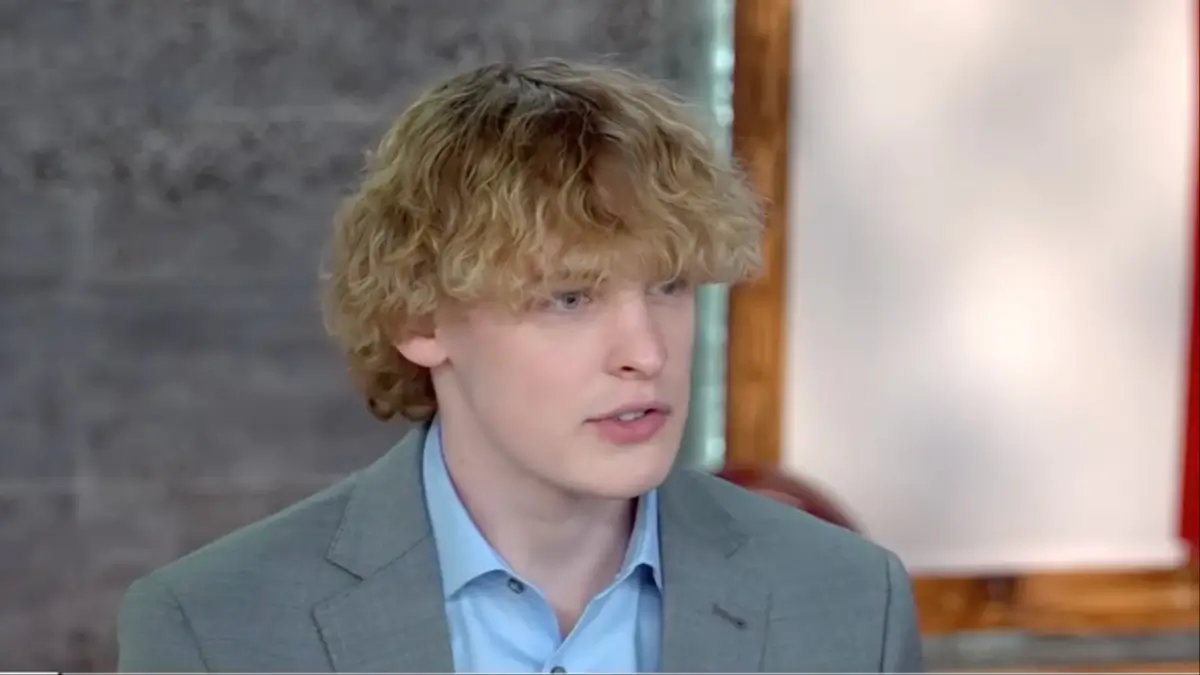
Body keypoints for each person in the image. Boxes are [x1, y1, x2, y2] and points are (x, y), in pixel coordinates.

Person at [116, 58, 924, 673]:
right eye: (570, 298)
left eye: (669, 285)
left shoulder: (849, 603)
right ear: (420, 318)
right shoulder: (216, 629)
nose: (646, 352)